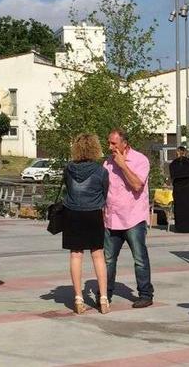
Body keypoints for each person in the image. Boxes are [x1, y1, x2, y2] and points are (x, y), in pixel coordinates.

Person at [103, 128, 154, 308]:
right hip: (112, 218)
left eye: (114, 143)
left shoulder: (140, 160)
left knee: (139, 258)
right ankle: (105, 294)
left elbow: (137, 185)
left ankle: (145, 294)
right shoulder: (107, 163)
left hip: (134, 218)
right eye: (109, 142)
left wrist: (123, 165)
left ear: (124, 143)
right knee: (108, 259)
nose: (110, 147)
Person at [62, 133, 110, 315]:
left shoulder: (68, 169)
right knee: (98, 255)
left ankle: (78, 298)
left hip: (72, 214)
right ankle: (104, 299)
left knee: (76, 255)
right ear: (95, 148)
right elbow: (106, 193)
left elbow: (68, 188)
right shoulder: (101, 171)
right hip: (94, 214)